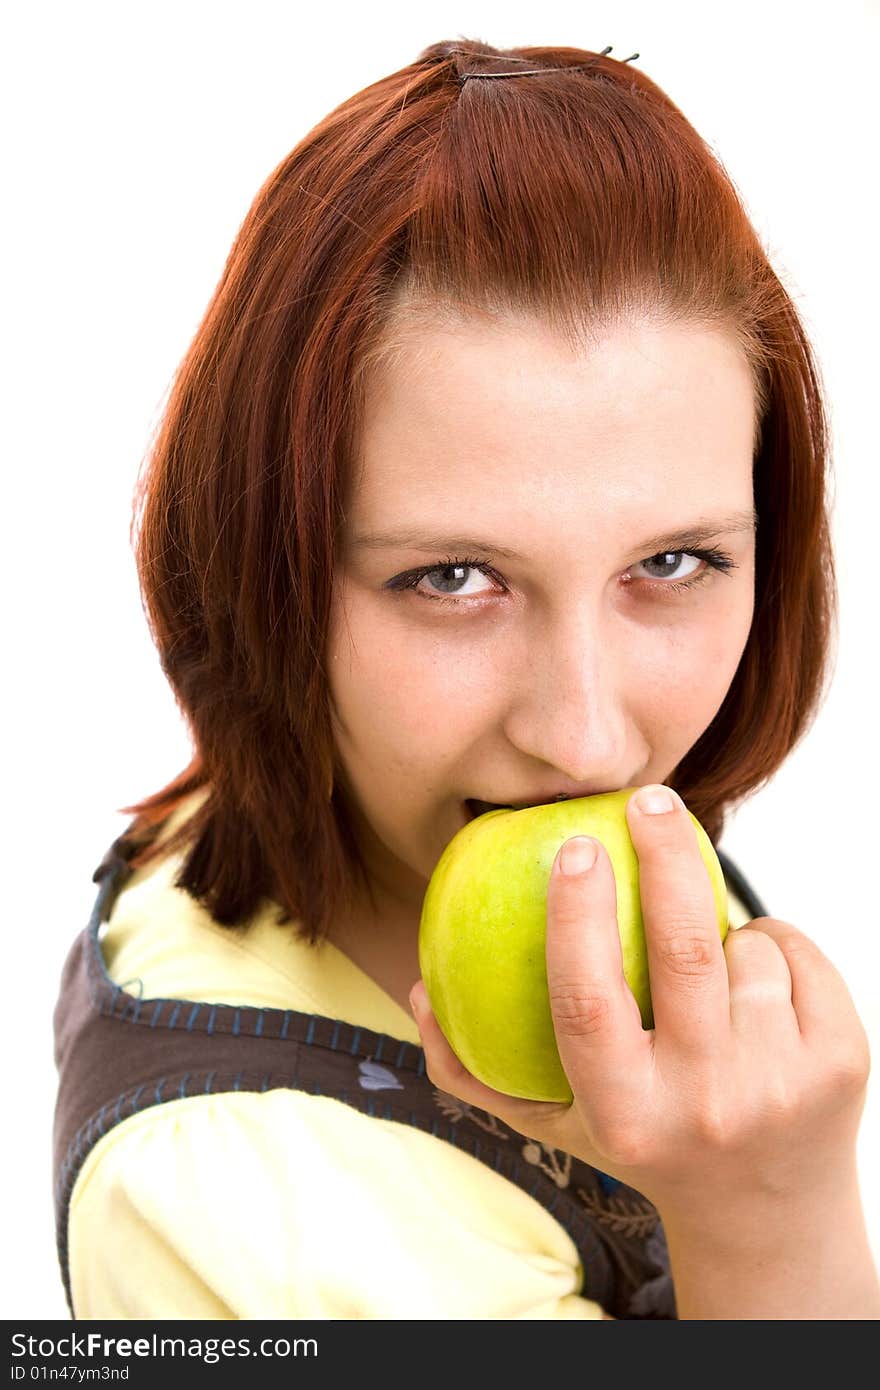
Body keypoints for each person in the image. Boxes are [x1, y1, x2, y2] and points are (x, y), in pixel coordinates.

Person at [52, 38, 879, 1320]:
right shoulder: (231, 1204)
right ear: (260, 576)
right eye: (452, 579)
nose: (588, 737)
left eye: (672, 560)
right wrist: (771, 1231)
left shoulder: (398, 812)